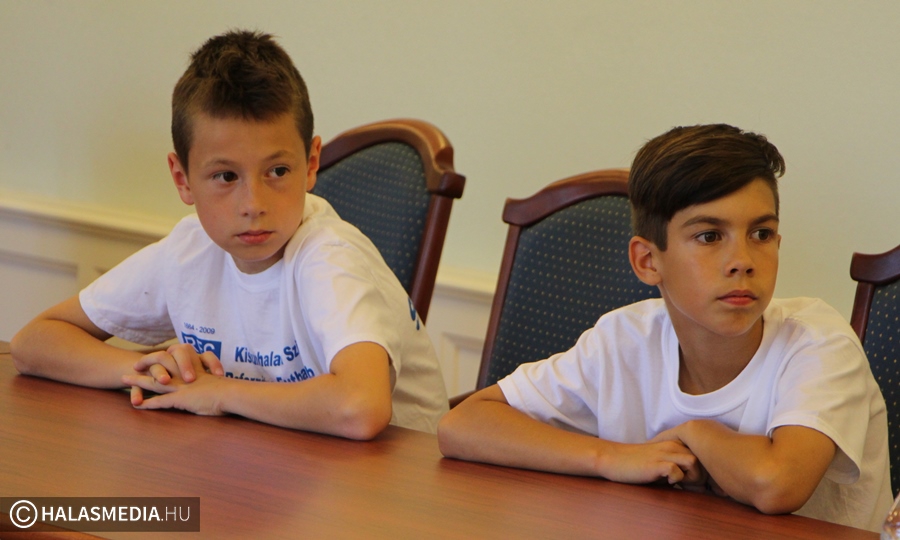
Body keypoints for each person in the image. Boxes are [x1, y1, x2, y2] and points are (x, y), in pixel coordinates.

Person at [437, 124, 891, 532]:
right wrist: (612, 457)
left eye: (761, 234)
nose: (742, 261)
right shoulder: (624, 339)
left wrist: (694, 432)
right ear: (648, 261)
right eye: (709, 236)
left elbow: (776, 484)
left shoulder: (818, 341)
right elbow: (464, 424)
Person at [10, 30, 448, 439]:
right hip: (279, 459)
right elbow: (34, 342)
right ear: (182, 179)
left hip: (400, 480)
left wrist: (218, 393)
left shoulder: (330, 256)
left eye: (278, 171)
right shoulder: (189, 250)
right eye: (225, 176)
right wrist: (150, 369)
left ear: (311, 163)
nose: (252, 204)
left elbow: (361, 406)